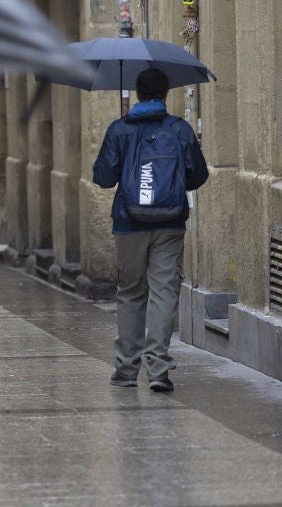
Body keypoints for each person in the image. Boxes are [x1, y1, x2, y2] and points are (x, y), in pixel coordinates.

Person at [92, 68, 208, 393]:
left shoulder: (119, 129)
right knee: (164, 292)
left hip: (128, 224)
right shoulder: (180, 129)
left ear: (139, 94)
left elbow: (103, 178)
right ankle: (158, 368)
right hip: (170, 224)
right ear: (166, 93)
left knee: (130, 293)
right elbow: (197, 175)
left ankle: (126, 370)